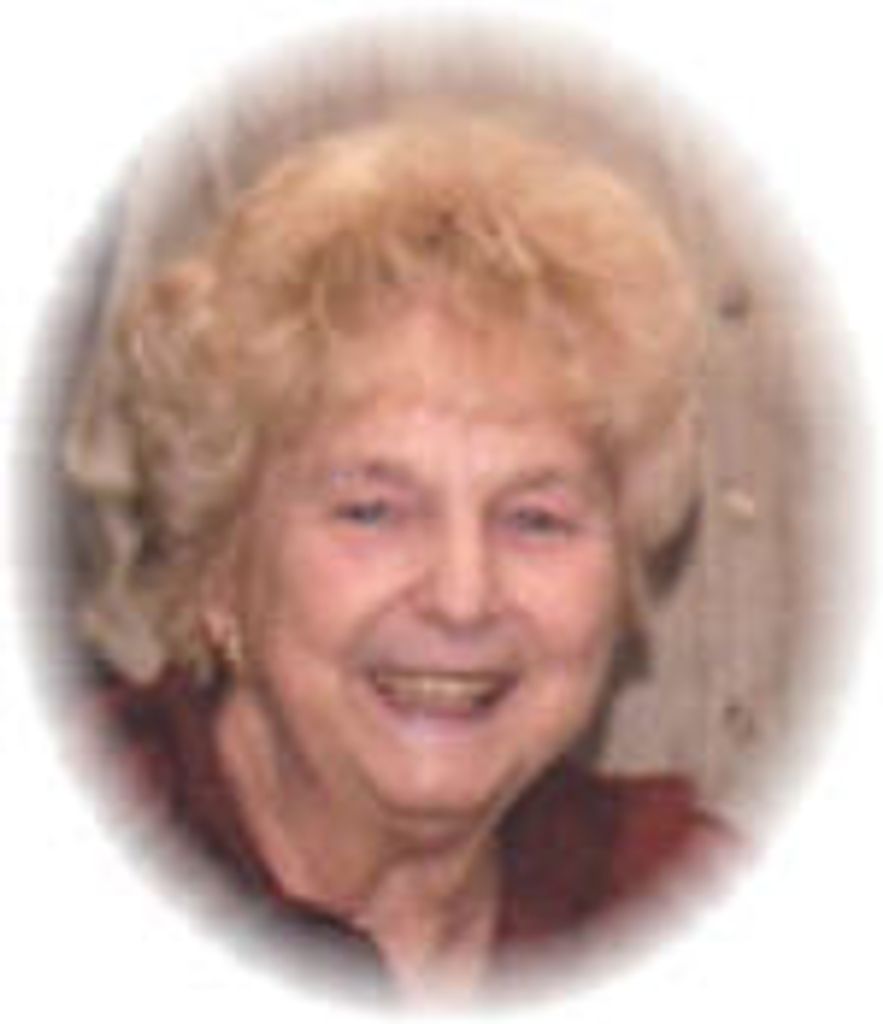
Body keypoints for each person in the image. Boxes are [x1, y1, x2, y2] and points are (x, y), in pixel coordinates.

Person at [63, 107, 732, 1004]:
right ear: (220, 564)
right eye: (373, 512)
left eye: (535, 519)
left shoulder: (674, 900)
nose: (463, 596)